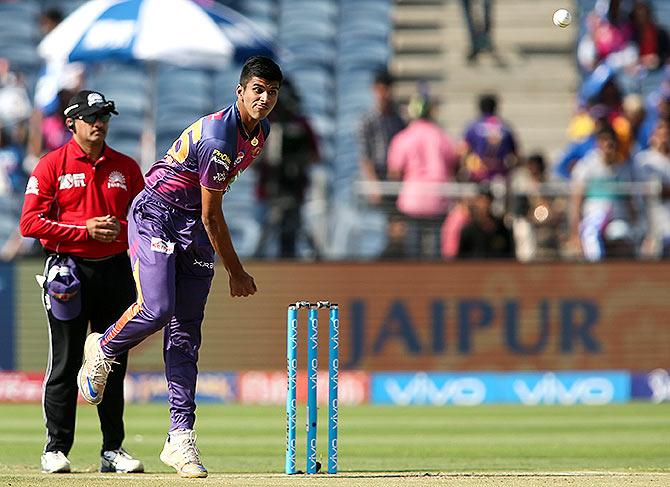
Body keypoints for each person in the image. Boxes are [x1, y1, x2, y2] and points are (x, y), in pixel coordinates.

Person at [75, 56, 283, 478]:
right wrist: (236, 271)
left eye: (272, 92)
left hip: (192, 223)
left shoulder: (259, 134)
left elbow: (205, 213)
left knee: (186, 332)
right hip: (157, 211)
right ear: (239, 91)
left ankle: (180, 437)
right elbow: (212, 214)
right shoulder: (219, 138)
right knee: (158, 308)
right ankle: (105, 346)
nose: (264, 99)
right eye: (257, 90)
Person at [18, 90, 145, 473]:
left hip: (116, 272)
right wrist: (85, 230)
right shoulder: (51, 165)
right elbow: (29, 224)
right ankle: (55, 448)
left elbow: (143, 222)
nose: (100, 123)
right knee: (66, 361)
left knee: (113, 362)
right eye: (92, 117)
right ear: (72, 122)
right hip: (68, 272)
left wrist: (116, 232)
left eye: (105, 115)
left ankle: (113, 449)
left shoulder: (125, 166)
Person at [387, 94, 459, 259]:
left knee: (413, 247)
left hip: (413, 199)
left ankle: (415, 281)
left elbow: (395, 171)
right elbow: (453, 164)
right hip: (438, 198)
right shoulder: (442, 136)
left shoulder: (403, 137)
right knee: (436, 247)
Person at [255, 79, 319, 258]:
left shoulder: (301, 124)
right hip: (269, 190)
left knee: (292, 233)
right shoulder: (264, 124)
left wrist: (297, 160)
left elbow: (315, 156)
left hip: (294, 189)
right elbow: (251, 159)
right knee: (265, 232)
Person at [358, 69, 406, 207]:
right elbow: (365, 156)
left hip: (395, 180)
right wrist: (374, 185)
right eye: (381, 89)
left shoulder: (399, 119)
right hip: (376, 179)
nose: (384, 94)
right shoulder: (367, 120)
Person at [460, 93, 518, 183]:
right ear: (496, 107)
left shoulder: (473, 127)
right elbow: (515, 156)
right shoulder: (505, 127)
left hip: (477, 175)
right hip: (500, 176)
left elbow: (464, 151)